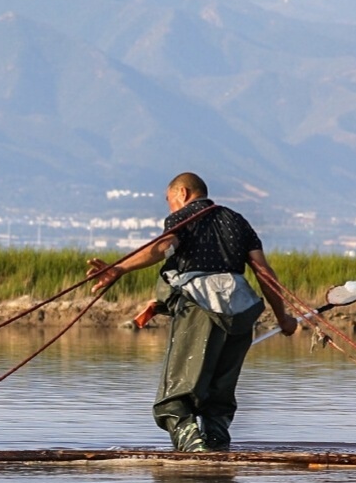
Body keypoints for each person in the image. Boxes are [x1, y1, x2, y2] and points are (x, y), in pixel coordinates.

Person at [87, 172, 296, 453]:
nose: (170, 207)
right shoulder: (237, 221)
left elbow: (163, 247)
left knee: (177, 391)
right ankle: (216, 444)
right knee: (219, 391)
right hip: (242, 310)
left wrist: (120, 268)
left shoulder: (182, 218)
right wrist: (283, 318)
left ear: (183, 194)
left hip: (199, 307)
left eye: (169, 200)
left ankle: (191, 448)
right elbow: (264, 272)